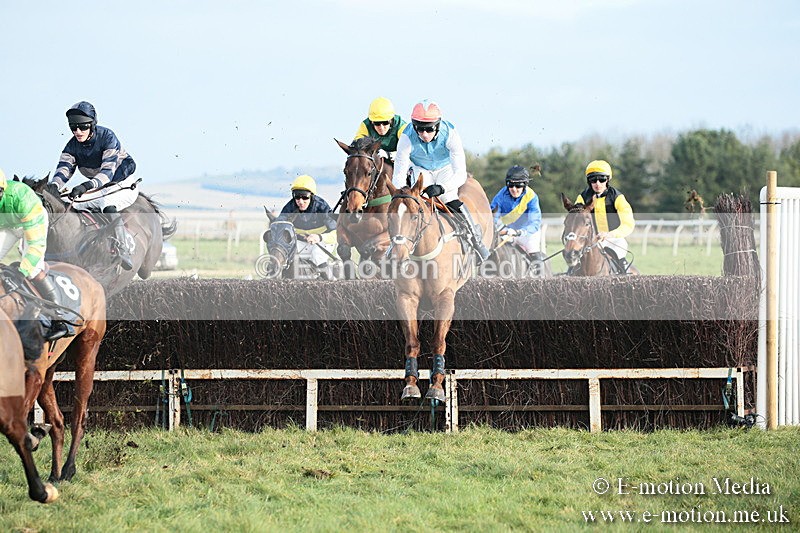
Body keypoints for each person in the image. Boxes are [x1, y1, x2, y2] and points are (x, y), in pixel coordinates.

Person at [392, 99, 491, 261]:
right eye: (419, 128)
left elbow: (461, 174)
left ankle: (476, 240)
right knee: (410, 204)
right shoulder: (406, 137)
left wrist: (442, 187)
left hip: (446, 169)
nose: (424, 134)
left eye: (429, 129)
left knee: (447, 198)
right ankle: (396, 243)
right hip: (421, 169)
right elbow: (399, 174)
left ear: (437, 126)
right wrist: (402, 193)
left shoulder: (450, 134)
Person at [50, 101, 136, 270]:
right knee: (68, 203)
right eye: (73, 127)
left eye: (82, 127)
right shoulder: (72, 145)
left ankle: (122, 248)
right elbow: (64, 169)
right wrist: (54, 186)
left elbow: (107, 173)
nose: (78, 131)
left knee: (107, 205)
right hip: (98, 186)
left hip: (121, 183)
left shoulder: (108, 137)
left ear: (92, 124)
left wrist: (85, 186)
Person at [0, 168, 70, 340]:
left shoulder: (22, 200)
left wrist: (21, 272)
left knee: (32, 269)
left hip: (33, 219)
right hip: (8, 224)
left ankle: (59, 318)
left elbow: (35, 246)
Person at [574, 159, 635, 272]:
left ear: (607, 180)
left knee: (620, 256)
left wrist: (609, 234)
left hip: (613, 240)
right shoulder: (582, 198)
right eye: (593, 180)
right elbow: (576, 220)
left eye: (601, 179)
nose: (597, 183)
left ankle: (625, 276)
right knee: (573, 265)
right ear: (589, 182)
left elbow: (628, 224)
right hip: (590, 241)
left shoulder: (617, 198)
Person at [276, 175, 338, 278]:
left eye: (305, 197)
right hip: (301, 241)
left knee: (317, 256)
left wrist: (319, 237)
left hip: (323, 241)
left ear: (312, 196)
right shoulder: (290, 207)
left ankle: (333, 283)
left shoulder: (322, 207)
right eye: (297, 197)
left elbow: (337, 233)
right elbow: (279, 226)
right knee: (285, 256)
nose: (300, 201)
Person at [490, 165, 544, 261]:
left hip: (527, 234)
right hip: (507, 231)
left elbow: (535, 223)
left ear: (525, 185)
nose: (514, 189)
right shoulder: (501, 195)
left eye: (518, 185)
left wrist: (519, 232)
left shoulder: (532, 197)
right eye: (510, 185)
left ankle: (539, 268)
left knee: (535, 256)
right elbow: (493, 217)